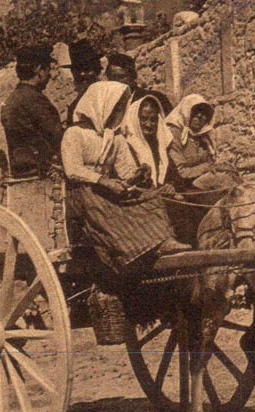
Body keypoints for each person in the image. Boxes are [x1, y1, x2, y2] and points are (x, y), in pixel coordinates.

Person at [62, 81, 189, 273]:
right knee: (101, 204)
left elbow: (125, 169)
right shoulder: (74, 134)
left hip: (105, 191)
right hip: (82, 194)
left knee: (150, 196)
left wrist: (139, 173)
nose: (117, 114)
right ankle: (131, 250)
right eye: (114, 108)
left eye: (119, 109)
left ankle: (162, 240)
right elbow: (72, 170)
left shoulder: (115, 137)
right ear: (101, 106)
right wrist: (103, 181)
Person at [0, 43, 62, 177]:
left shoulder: (12, 99)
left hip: (21, 170)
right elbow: (57, 137)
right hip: (44, 171)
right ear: (39, 70)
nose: (50, 75)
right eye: (48, 70)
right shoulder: (34, 100)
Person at [165, 94, 240, 193]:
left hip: (200, 183)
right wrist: (209, 168)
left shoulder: (203, 137)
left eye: (204, 113)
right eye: (195, 111)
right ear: (186, 112)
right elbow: (180, 172)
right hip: (182, 187)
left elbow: (209, 163)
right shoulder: (175, 134)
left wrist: (221, 167)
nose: (199, 116)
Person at [115, 92, 173, 189]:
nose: (148, 125)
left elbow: (172, 174)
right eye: (144, 119)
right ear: (134, 119)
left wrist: (170, 185)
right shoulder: (124, 144)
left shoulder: (160, 144)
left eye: (153, 120)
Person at [105, 52, 173, 114]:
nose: (117, 82)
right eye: (112, 78)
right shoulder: (106, 104)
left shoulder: (155, 98)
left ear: (133, 75)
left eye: (121, 77)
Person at [62, 38, 104, 125]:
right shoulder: (75, 105)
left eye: (86, 69)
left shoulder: (107, 95)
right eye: (78, 70)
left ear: (96, 70)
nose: (82, 74)